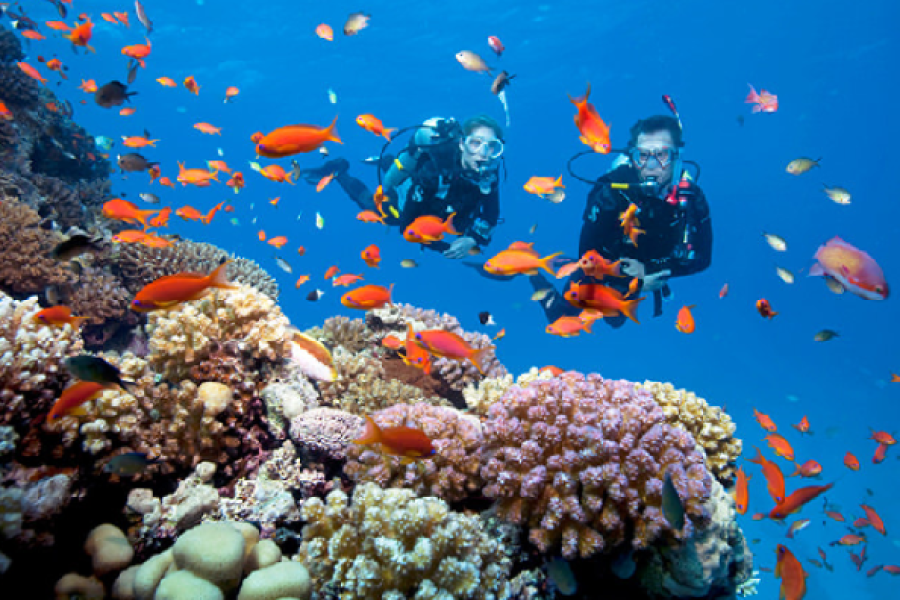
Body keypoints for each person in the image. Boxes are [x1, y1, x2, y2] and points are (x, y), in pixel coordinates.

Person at [531, 115, 712, 327]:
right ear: (632, 157)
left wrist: (651, 272)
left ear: (676, 157)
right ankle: (535, 273)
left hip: (651, 268)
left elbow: (702, 258)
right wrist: (627, 275)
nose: (651, 165)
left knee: (616, 320)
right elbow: (586, 250)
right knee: (561, 320)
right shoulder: (610, 191)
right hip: (607, 263)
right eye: (642, 155)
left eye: (662, 154)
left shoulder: (691, 197)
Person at [297, 115, 504, 258]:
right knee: (377, 210)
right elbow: (407, 226)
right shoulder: (433, 172)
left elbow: (491, 214)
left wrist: (472, 240)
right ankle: (340, 171)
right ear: (462, 143)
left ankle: (388, 161)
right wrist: (445, 247)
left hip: (443, 212)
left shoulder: (487, 174)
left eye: (492, 146)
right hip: (410, 202)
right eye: (475, 143)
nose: (483, 153)